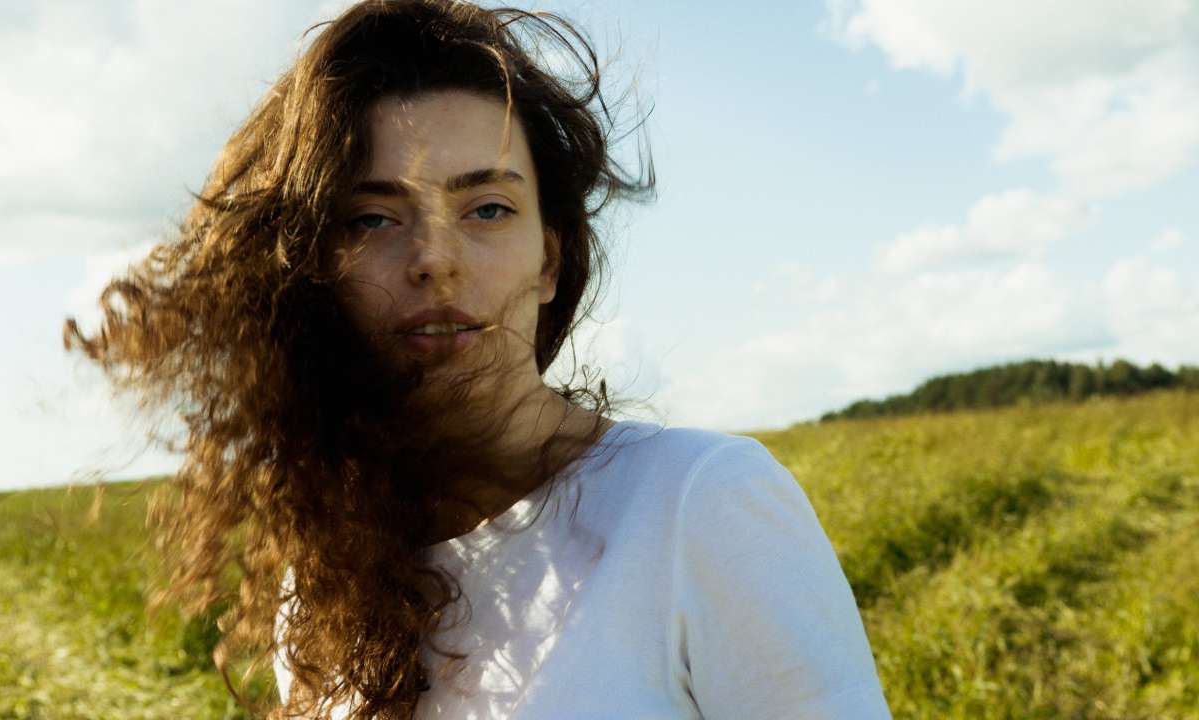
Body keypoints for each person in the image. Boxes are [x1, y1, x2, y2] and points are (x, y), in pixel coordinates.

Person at [64, 0, 892, 718]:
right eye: (371, 219)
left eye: (487, 208)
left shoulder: (699, 505)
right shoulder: (318, 586)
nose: (436, 259)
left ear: (551, 259)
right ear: (310, 273)